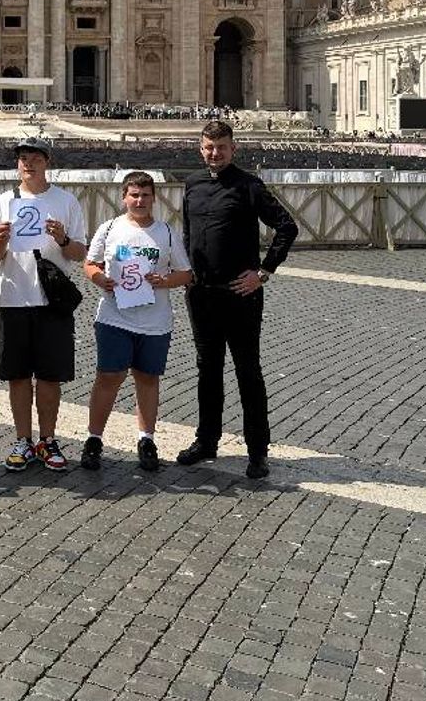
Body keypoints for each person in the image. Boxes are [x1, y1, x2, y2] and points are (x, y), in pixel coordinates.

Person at [176, 120, 298, 480]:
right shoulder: (192, 184)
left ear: (233, 149)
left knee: (248, 371)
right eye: (209, 147)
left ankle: (258, 451)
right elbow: (188, 232)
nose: (215, 153)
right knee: (207, 369)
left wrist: (263, 271)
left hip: (240, 294)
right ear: (201, 148)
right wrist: (186, 272)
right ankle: (206, 440)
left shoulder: (249, 185)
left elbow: (287, 226)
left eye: (222, 147)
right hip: (201, 294)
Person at [0, 138, 87, 473]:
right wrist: (0, 241)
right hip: (13, 298)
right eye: (23, 158)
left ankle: (48, 439)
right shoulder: (3, 201)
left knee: (49, 376)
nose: (28, 163)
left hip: (52, 301)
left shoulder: (66, 201)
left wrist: (63, 239)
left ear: (47, 162)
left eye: (35, 158)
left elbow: (80, 253)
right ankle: (23, 440)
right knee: (16, 376)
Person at [80, 172, 192, 470]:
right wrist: (99, 278)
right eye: (134, 195)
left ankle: (146, 439)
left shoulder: (166, 232)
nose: (140, 200)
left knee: (147, 378)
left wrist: (165, 281)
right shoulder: (110, 228)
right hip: (114, 317)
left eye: (145, 195)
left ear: (154, 198)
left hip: (155, 321)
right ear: (124, 198)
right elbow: (90, 264)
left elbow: (185, 273)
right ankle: (94, 439)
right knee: (108, 377)